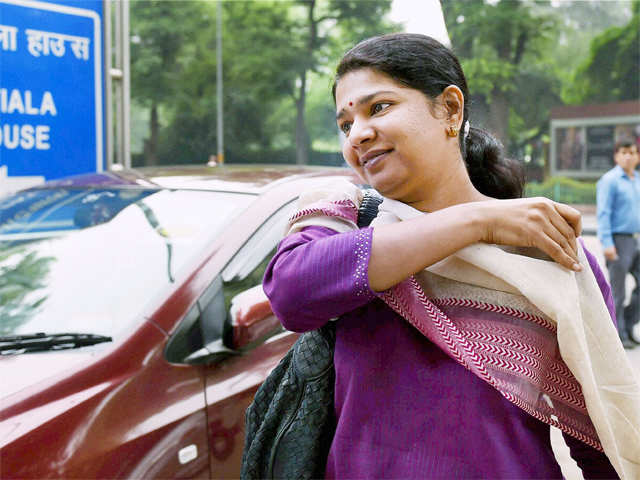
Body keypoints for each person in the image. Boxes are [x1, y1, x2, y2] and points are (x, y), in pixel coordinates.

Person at [264, 34, 638, 479]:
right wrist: (476, 223)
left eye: (378, 107)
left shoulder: (545, 253)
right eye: (346, 124)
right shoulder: (346, 216)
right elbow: (291, 291)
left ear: (451, 109)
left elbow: (605, 442)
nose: (358, 134)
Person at [596, 139, 640, 350]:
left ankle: (628, 325)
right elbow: (603, 213)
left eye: (632, 152)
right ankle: (618, 335)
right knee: (618, 292)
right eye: (624, 152)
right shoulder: (610, 180)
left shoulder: (637, 180)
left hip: (637, 239)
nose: (628, 156)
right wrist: (607, 242)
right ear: (616, 156)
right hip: (618, 241)